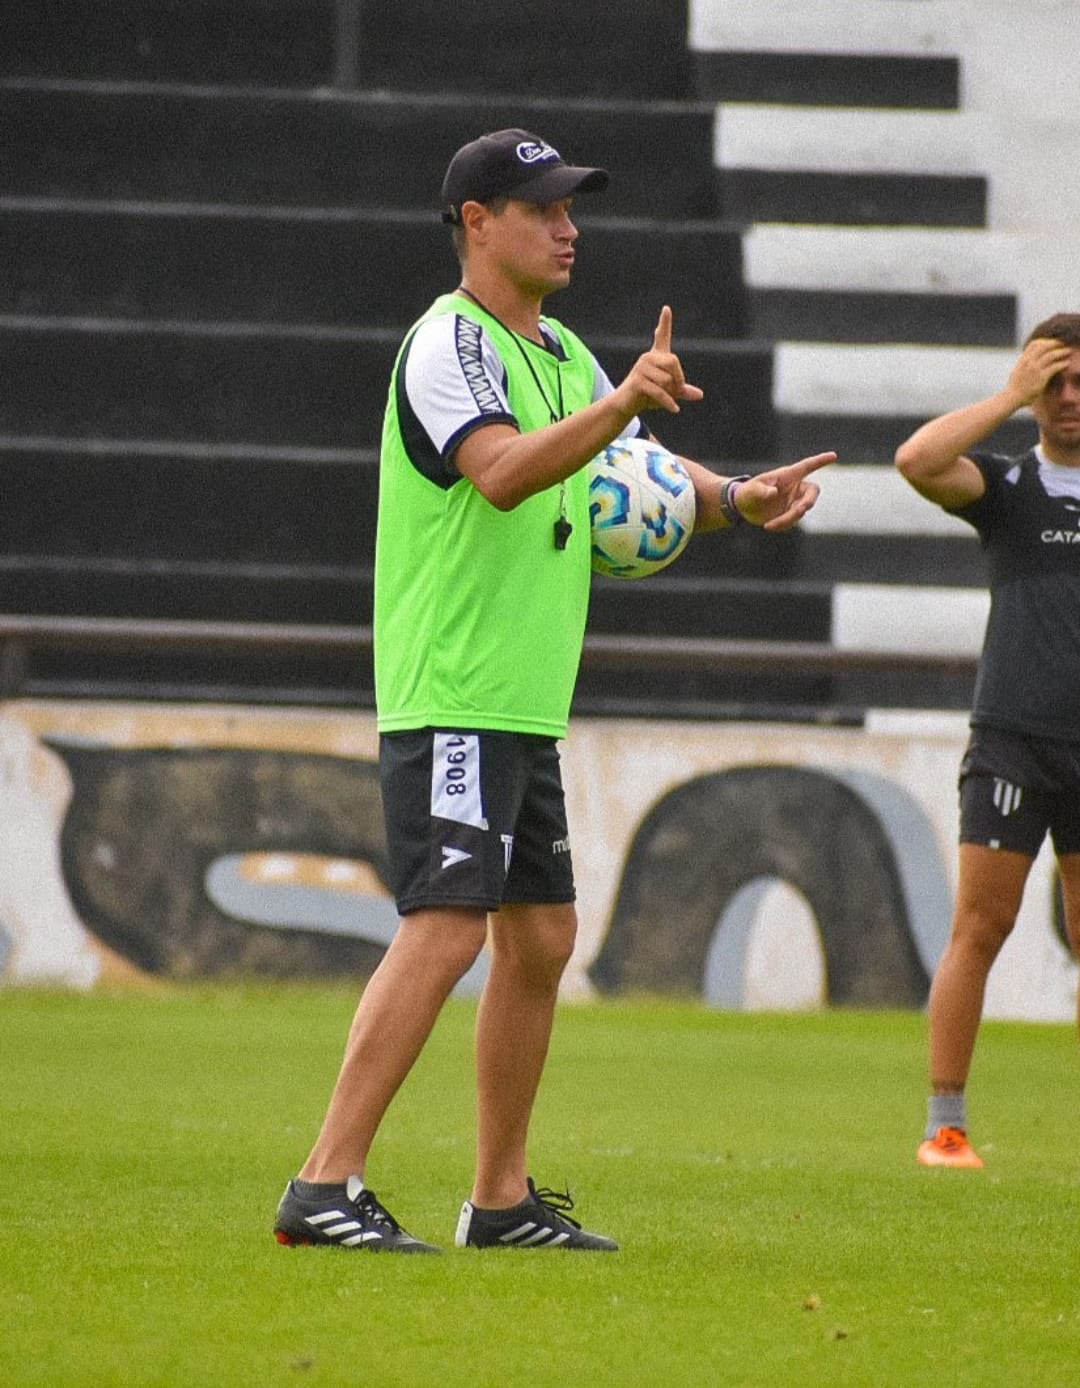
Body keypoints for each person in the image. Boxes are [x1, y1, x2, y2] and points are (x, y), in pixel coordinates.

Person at [273, 127, 834, 1252]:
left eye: (572, 207)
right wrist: (624, 403)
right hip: (456, 689)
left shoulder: (563, 353)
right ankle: (324, 1182)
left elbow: (630, 474)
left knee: (541, 937)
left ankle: (500, 1199)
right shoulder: (450, 344)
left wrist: (736, 497)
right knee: (447, 927)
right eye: (543, 208)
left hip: (523, 699)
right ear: (477, 224)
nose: (569, 225)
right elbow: (502, 471)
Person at [895, 313, 1080, 1169]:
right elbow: (917, 461)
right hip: (1013, 740)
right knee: (982, 925)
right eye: (1055, 385)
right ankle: (946, 1126)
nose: (1070, 401)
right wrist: (1008, 394)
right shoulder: (1007, 489)